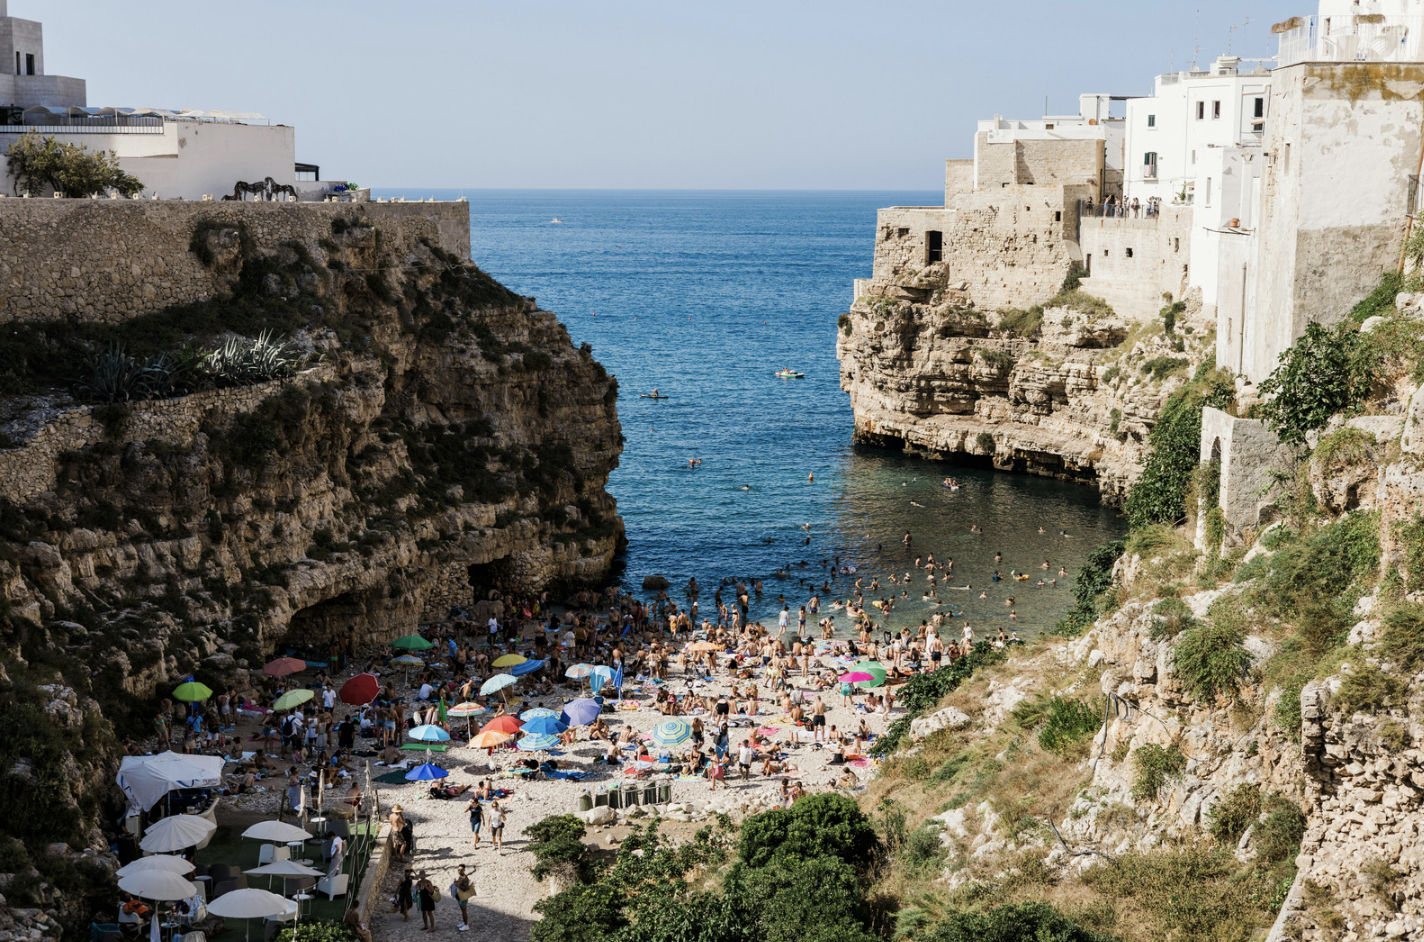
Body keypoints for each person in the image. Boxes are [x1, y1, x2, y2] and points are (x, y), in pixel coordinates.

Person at [451, 865, 473, 932]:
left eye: (461, 870)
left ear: (464, 870)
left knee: (464, 911)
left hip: (463, 897)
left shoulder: (465, 878)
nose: (459, 871)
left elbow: (465, 888)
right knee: (462, 911)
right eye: (458, 870)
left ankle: (466, 925)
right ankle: (464, 923)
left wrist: (457, 885)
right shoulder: (461, 877)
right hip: (460, 897)